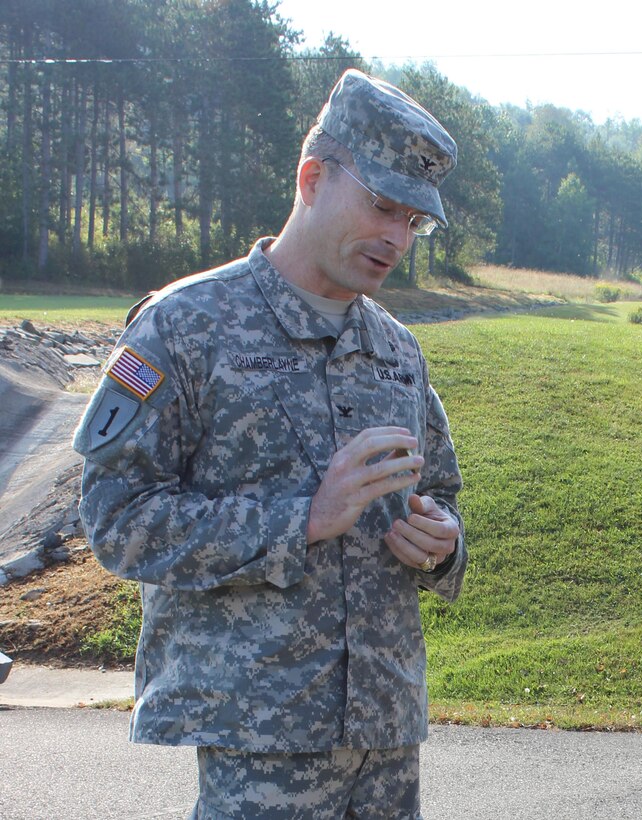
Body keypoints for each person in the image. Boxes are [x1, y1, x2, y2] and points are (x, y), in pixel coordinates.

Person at [73, 69, 466, 819]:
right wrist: (300, 520)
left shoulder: (396, 350)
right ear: (312, 177)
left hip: (385, 735)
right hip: (258, 739)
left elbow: (440, 492)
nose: (396, 236)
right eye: (382, 204)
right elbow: (119, 520)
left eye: (414, 221)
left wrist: (442, 539)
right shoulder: (185, 326)